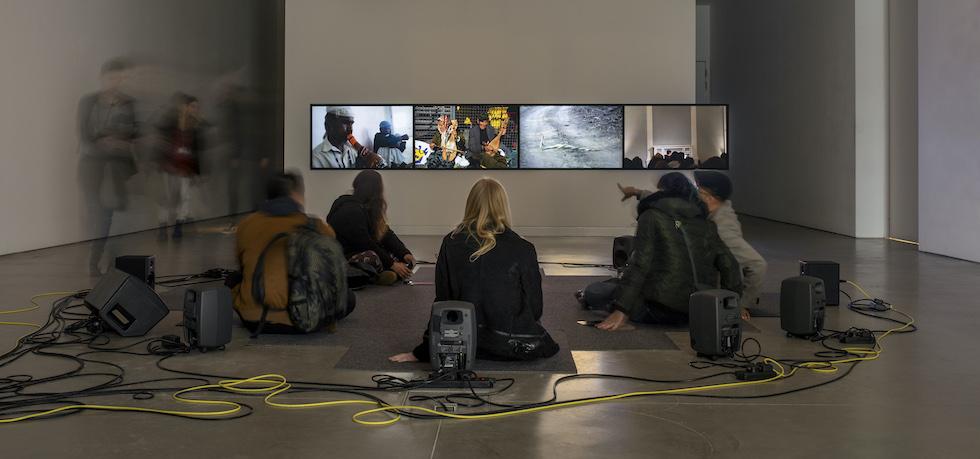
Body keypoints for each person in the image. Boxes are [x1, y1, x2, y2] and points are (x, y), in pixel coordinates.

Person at [389, 178, 559, 363]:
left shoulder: (451, 242)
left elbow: (443, 300)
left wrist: (424, 350)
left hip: (464, 341)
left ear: (470, 204)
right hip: (511, 344)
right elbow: (535, 306)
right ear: (503, 206)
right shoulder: (523, 247)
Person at [584, 173, 742, 331]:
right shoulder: (706, 223)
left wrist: (621, 310)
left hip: (659, 310)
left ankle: (593, 295)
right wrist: (728, 308)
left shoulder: (652, 216)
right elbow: (730, 265)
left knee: (594, 292)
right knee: (616, 286)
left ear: (663, 191)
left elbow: (640, 264)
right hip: (698, 310)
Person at [620, 171, 767, 313]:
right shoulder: (702, 211)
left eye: (698, 189)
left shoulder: (723, 228)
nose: (693, 191)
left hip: (704, 293)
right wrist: (637, 192)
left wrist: (741, 305)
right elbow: (672, 199)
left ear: (710, 197)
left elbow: (757, 265)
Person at [232, 172, 353, 333]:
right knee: (349, 298)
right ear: (296, 195)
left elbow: (241, 265)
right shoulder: (316, 226)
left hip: (253, 318)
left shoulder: (246, 225)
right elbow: (331, 267)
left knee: (233, 280)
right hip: (307, 319)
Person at [77, 58, 139, 276]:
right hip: (93, 168)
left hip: (116, 169)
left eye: (120, 78)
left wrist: (117, 142)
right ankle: (95, 262)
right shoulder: (88, 102)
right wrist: (105, 141)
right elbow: (85, 135)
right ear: (103, 78)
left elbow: (133, 134)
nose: (116, 82)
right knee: (99, 215)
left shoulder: (128, 103)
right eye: (113, 77)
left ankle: (109, 263)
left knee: (113, 217)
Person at [326, 170, 414, 285]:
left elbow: (385, 233)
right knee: (372, 257)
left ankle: (382, 273)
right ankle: (379, 275)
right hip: (345, 258)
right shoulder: (351, 210)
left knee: (397, 258)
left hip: (361, 252)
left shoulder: (365, 208)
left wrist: (404, 253)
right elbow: (365, 243)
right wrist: (392, 263)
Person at [155, 92, 206, 239]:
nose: (195, 110)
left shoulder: (195, 128)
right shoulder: (170, 123)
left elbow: (196, 151)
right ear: (185, 107)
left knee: (185, 197)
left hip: (185, 169)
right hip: (169, 167)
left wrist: (197, 173)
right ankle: (163, 227)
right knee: (167, 198)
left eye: (197, 107)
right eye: (193, 106)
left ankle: (178, 226)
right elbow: (162, 144)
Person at [312, 107, 382, 169]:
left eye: (351, 124)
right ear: (329, 125)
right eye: (345, 123)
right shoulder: (316, 157)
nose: (350, 129)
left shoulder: (353, 150)